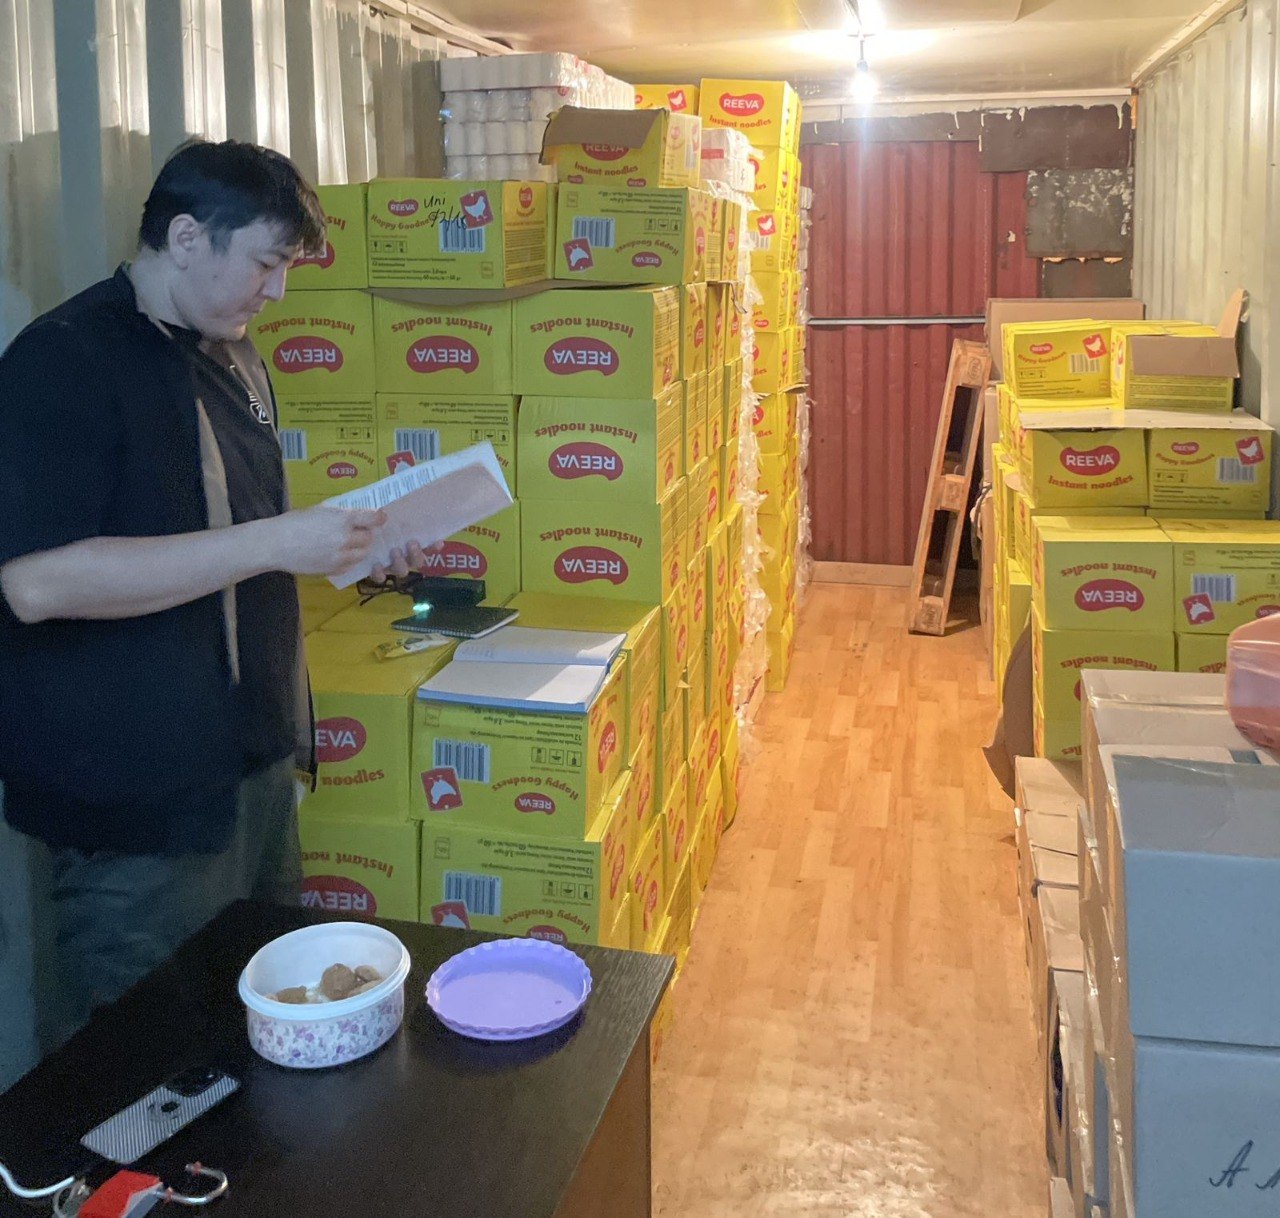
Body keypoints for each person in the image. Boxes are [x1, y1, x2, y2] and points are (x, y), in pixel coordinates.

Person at [0, 140, 427, 1046]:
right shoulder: (63, 361)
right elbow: (36, 581)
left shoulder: (234, 359)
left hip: (253, 779)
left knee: (266, 1041)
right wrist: (275, 541)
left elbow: (229, 538)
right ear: (187, 237)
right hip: (140, 811)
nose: (278, 292)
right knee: (144, 1067)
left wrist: (348, 547)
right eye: (267, 263)